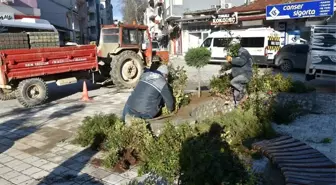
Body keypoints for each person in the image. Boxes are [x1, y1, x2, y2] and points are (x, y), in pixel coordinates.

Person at [226, 38, 253, 107]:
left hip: (245, 75)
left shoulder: (243, 52)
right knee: (236, 92)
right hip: (239, 75)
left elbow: (241, 61)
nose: (231, 47)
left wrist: (232, 59)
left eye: (232, 46)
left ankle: (242, 91)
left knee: (233, 82)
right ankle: (237, 105)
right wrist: (230, 61)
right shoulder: (236, 52)